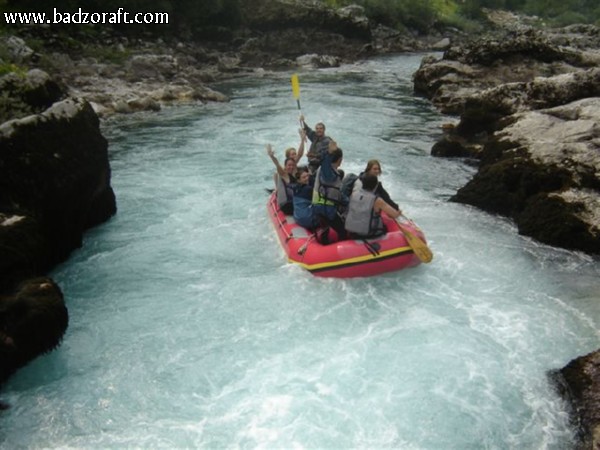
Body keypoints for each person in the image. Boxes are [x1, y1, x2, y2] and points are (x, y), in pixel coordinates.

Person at [345, 173, 403, 238]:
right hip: (369, 234)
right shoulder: (377, 200)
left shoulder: (354, 194)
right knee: (385, 227)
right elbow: (394, 215)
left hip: (352, 230)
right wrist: (399, 212)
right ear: (376, 186)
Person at [312, 139, 348, 243]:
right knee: (342, 230)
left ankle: (324, 243)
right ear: (340, 159)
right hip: (325, 209)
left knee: (325, 229)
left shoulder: (326, 170)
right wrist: (329, 152)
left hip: (319, 206)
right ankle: (342, 253)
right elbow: (325, 163)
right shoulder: (328, 172)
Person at [266, 144, 297, 215]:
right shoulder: (284, 175)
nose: (291, 167)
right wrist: (272, 156)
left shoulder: (296, 174)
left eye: (292, 165)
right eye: (289, 165)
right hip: (287, 205)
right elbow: (277, 165)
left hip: (294, 202)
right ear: (285, 167)